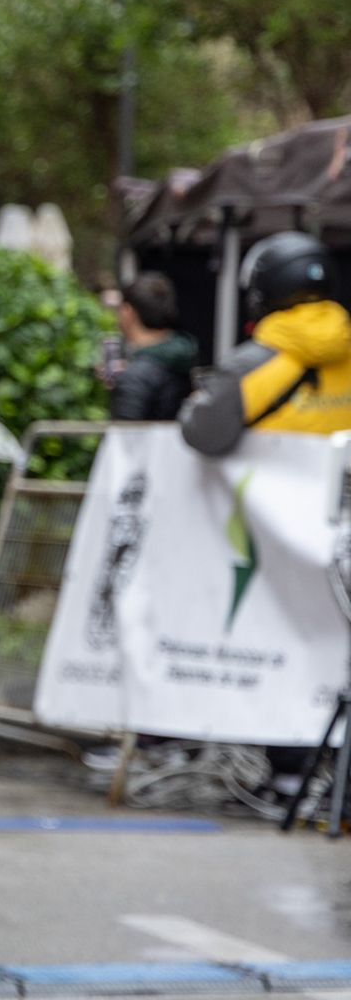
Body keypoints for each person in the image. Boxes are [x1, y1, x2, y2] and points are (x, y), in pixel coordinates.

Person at [181, 230, 351, 795]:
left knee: (276, 642)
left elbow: (204, 432)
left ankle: (287, 772)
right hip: (340, 541)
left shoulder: (256, 361)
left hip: (268, 544)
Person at [109, 272, 196, 422]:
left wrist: (125, 384)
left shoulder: (136, 376)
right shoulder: (184, 358)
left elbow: (125, 431)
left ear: (127, 312)